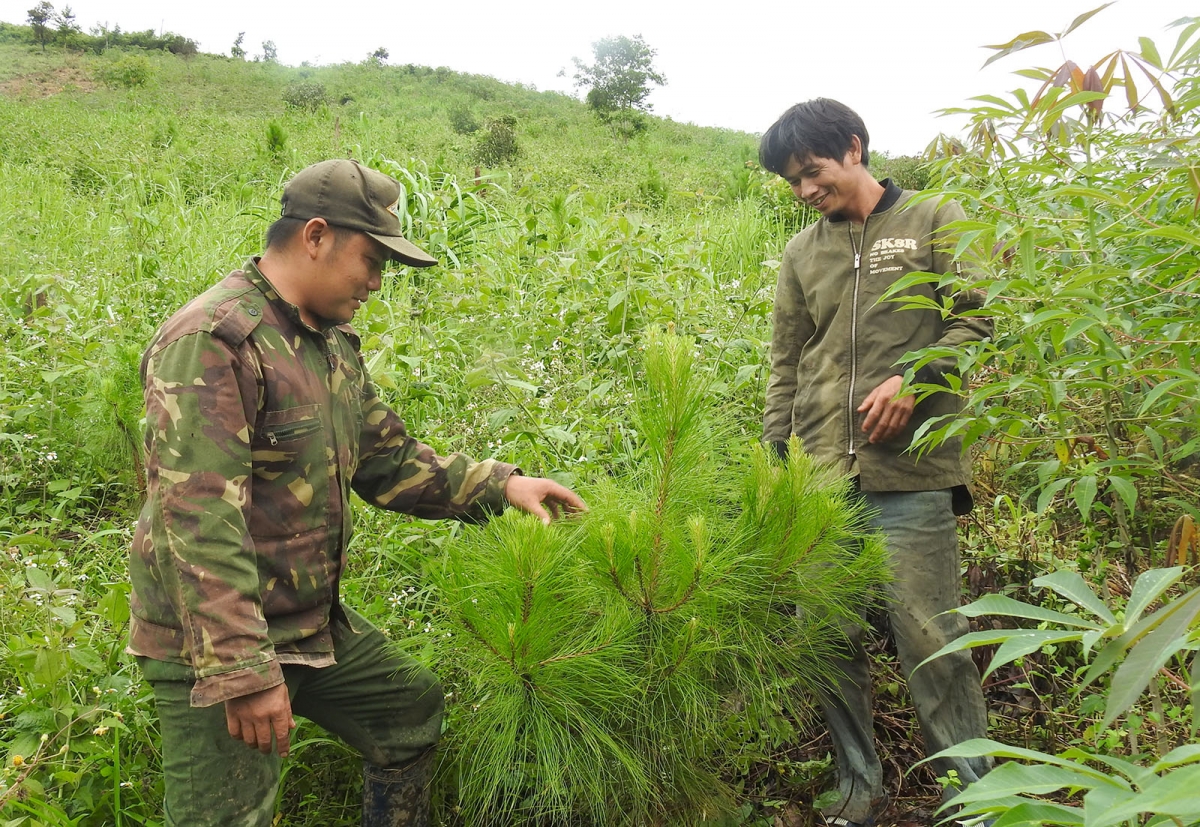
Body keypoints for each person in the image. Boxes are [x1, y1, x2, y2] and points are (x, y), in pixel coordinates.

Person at [127, 159, 586, 827]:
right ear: (315, 235)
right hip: (210, 643)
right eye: (370, 261)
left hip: (306, 621)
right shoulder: (215, 339)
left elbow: (386, 458)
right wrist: (243, 673)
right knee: (227, 817)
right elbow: (196, 519)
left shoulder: (329, 341)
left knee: (407, 709)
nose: (375, 283)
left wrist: (504, 485)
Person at [759, 99, 994, 827]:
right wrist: (777, 458)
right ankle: (858, 787)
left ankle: (976, 799)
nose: (805, 191)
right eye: (792, 182)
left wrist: (918, 379)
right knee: (825, 634)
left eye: (812, 172)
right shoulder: (803, 253)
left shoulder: (932, 218)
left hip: (910, 474)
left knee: (932, 638)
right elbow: (786, 361)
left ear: (854, 148)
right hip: (823, 473)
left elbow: (977, 317)